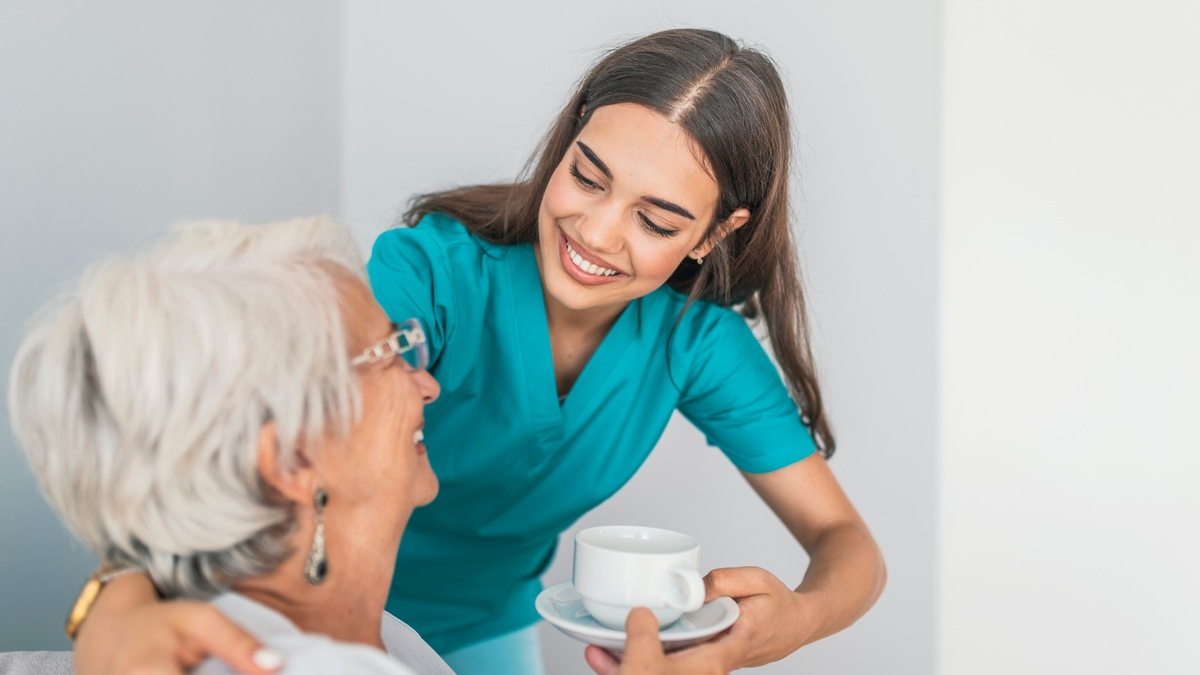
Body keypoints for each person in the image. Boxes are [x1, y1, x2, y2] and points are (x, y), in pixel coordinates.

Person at [71, 28, 886, 675]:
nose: (597, 232)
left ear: (715, 233)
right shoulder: (433, 274)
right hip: (303, 603)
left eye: (656, 220)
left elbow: (848, 546)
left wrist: (793, 621)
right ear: (568, 138)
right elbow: (244, 417)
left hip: (482, 627)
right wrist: (116, 596)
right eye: (588, 177)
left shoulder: (696, 344)